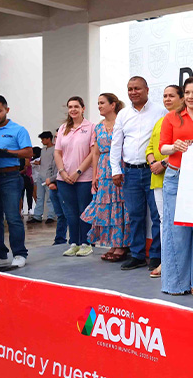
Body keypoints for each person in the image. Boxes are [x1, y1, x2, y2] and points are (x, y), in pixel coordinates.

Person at [159, 77, 193, 295]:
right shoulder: (171, 117)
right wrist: (174, 147)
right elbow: (162, 148)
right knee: (176, 231)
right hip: (175, 176)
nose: (191, 97)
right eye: (188, 93)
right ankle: (175, 283)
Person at [110, 76, 166, 271]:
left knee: (157, 216)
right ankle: (137, 255)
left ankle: (157, 256)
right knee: (135, 215)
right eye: (130, 89)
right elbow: (116, 143)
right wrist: (116, 170)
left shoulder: (160, 111)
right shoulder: (123, 114)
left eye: (137, 88)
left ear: (147, 90)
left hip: (153, 171)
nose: (133, 92)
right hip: (130, 172)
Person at [81, 93, 131, 262]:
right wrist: (95, 175)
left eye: (102, 103)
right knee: (106, 207)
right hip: (103, 169)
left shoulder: (122, 122)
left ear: (113, 105)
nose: (99, 106)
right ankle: (113, 243)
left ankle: (122, 244)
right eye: (98, 103)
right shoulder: (98, 127)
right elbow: (95, 152)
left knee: (120, 206)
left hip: (119, 166)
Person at [0, 95, 33, 268]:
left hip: (10, 177)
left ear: (7, 110)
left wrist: (7, 152)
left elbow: (28, 152)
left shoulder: (18, 130)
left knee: (13, 217)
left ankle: (19, 253)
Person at [145, 85, 183, 278]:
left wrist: (164, 163)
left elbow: (185, 147)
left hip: (176, 176)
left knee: (179, 222)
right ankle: (166, 261)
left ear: (182, 98)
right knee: (163, 221)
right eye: (165, 96)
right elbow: (150, 147)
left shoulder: (184, 120)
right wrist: (153, 162)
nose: (167, 99)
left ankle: (177, 263)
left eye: (171, 96)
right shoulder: (161, 120)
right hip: (157, 178)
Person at [54, 96, 95, 257]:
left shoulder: (91, 127)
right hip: (64, 179)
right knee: (70, 212)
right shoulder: (63, 128)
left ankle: (86, 243)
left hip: (84, 178)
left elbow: (92, 153)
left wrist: (78, 172)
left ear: (83, 108)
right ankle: (74, 243)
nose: (73, 110)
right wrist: (62, 172)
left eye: (76, 106)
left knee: (84, 210)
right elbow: (57, 152)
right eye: (70, 107)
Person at [45, 128, 68, 246]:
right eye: (55, 137)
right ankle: (60, 239)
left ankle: (76, 239)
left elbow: (66, 169)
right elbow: (50, 168)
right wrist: (50, 182)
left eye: (58, 137)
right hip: (53, 185)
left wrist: (53, 180)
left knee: (68, 214)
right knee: (60, 215)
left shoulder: (68, 152)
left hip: (63, 185)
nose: (56, 139)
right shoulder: (55, 152)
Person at [28, 132, 57, 224]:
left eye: (43, 139)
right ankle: (37, 216)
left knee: (49, 198)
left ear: (48, 139)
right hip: (41, 175)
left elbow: (55, 164)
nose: (42, 141)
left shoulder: (55, 149)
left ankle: (51, 216)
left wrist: (53, 177)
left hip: (49, 175)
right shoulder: (43, 150)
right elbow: (42, 161)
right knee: (39, 197)